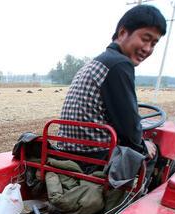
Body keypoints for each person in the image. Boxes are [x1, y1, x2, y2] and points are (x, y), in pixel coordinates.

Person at [57, 4, 167, 173]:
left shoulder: (98, 62)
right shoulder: (119, 65)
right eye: (145, 39)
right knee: (154, 154)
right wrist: (144, 145)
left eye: (154, 43)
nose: (148, 49)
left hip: (65, 153)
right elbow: (130, 128)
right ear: (123, 33)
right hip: (94, 160)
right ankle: (136, 195)